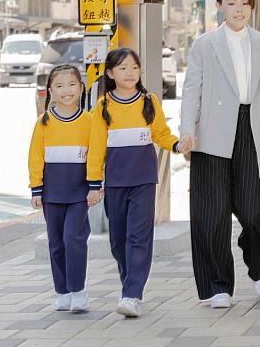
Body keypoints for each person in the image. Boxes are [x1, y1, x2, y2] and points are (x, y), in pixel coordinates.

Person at [178, 0, 260, 309]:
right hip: (211, 133)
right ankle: (217, 285)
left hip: (252, 130)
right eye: (231, 3)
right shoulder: (204, 45)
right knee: (210, 214)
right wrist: (187, 130)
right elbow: (191, 91)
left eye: (244, 4)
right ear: (219, 7)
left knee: (255, 209)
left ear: (252, 6)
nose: (238, 10)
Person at [87, 48, 180, 318]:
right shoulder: (103, 106)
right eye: (123, 68)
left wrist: (176, 145)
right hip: (115, 182)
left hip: (143, 180)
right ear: (110, 73)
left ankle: (132, 293)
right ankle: (130, 282)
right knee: (118, 241)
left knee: (139, 237)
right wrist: (94, 184)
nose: (130, 73)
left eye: (135, 68)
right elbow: (96, 149)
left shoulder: (148, 101)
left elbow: (161, 134)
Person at [28, 64, 92, 313]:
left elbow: (97, 154)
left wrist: (96, 184)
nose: (66, 90)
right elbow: (35, 157)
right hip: (51, 193)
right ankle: (63, 291)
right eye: (59, 85)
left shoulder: (88, 121)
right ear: (50, 91)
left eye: (72, 84)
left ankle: (79, 291)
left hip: (79, 192)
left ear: (81, 87)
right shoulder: (43, 123)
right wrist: (36, 188)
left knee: (73, 239)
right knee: (56, 242)